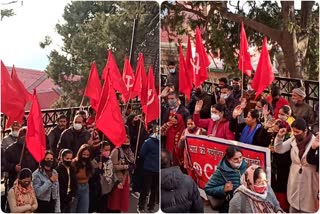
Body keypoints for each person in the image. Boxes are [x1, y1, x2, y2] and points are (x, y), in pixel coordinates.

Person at [274, 118, 318, 213]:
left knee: (308, 208)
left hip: (310, 183)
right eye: (293, 131)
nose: (294, 134)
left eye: (297, 132)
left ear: (305, 131)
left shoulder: (315, 142)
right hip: (294, 182)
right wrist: (279, 137)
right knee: (293, 206)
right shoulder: (293, 140)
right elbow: (279, 149)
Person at [205, 146, 247, 213]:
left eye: (240, 157)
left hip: (244, 206)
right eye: (235, 159)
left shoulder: (245, 167)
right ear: (229, 159)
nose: (239, 160)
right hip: (228, 208)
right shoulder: (221, 172)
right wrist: (223, 189)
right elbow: (208, 188)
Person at [108, 135, 135, 212]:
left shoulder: (129, 151)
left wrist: (132, 163)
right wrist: (126, 166)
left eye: (128, 142)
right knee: (115, 201)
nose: (126, 143)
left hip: (126, 179)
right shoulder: (116, 151)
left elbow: (132, 159)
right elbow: (112, 166)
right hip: (117, 179)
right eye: (125, 141)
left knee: (122, 200)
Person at [137, 128, 160, 213]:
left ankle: (151, 206)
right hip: (148, 169)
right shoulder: (148, 142)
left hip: (157, 171)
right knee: (145, 189)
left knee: (154, 189)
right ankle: (141, 206)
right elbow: (142, 154)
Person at [92, 141, 115, 213]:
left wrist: (117, 182)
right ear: (101, 150)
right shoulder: (96, 161)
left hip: (108, 188)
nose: (108, 152)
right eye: (106, 150)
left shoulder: (109, 160)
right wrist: (98, 169)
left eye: (109, 150)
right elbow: (92, 175)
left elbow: (112, 172)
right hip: (98, 189)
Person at [72, 144, 93, 213]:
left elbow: (90, 176)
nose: (85, 156)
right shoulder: (74, 163)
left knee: (83, 210)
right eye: (84, 154)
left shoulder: (89, 164)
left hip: (85, 187)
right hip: (75, 187)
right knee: (73, 209)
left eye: (87, 155)